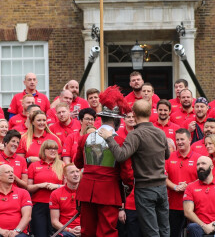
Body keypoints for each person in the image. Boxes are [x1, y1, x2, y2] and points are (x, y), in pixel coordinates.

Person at [99, 98, 170, 237]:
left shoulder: (135, 134)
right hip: (161, 187)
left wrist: (109, 138)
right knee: (164, 229)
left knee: (151, 231)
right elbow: (167, 155)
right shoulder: (160, 133)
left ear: (134, 114)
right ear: (150, 113)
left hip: (145, 189)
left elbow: (120, 156)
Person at [75, 86, 134, 237]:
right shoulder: (120, 140)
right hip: (109, 191)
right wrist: (129, 185)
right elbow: (127, 172)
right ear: (116, 120)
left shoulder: (84, 138)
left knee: (87, 231)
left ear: (100, 118)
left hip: (87, 189)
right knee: (107, 231)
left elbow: (78, 163)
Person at [183, 156, 215, 237]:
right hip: (198, 225)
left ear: (211, 167)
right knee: (193, 227)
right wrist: (203, 225)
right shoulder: (190, 187)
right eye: (198, 164)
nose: (200, 166)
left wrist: (214, 224)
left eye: (203, 163)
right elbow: (188, 212)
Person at [165, 128, 201, 237]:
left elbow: (203, 178)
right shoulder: (168, 157)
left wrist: (188, 186)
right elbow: (163, 177)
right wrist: (175, 187)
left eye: (182, 139)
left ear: (190, 139)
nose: (179, 142)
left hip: (195, 205)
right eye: (177, 139)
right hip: (173, 205)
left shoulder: (198, 158)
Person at [0, 164, 32, 237]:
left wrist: (16, 231)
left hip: (18, 233)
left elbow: (27, 216)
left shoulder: (23, 192)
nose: (11, 174)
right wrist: (1, 231)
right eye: (7, 172)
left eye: (12, 172)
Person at [27, 140, 64, 237]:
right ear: (43, 150)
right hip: (39, 205)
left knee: (56, 234)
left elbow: (69, 186)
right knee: (40, 234)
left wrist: (57, 186)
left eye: (55, 148)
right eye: (50, 148)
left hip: (58, 205)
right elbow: (28, 187)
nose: (53, 151)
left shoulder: (62, 165)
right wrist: (40, 185)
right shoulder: (34, 166)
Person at [50, 163, 81, 237]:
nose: (76, 174)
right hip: (66, 231)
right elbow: (54, 221)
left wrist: (83, 228)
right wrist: (69, 230)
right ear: (65, 176)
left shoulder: (87, 191)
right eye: (72, 172)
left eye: (77, 171)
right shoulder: (56, 193)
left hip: (85, 229)